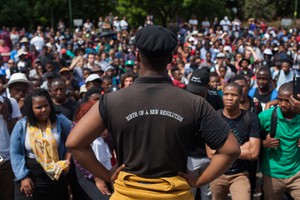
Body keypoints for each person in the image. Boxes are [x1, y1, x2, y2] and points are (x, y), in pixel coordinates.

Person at [66, 25, 240, 199]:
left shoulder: (111, 101)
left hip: (127, 194)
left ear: (137, 55)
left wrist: (106, 175)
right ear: (171, 57)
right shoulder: (194, 103)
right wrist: (200, 180)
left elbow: (75, 142)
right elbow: (231, 149)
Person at [10, 88, 72, 199]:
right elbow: (15, 153)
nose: (44, 110)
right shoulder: (22, 125)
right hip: (31, 177)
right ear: (31, 109)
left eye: (46, 105)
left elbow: (74, 140)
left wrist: (68, 157)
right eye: (39, 107)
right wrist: (23, 177)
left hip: (56, 177)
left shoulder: (60, 121)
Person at [207, 82, 261, 200]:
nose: (229, 98)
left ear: (241, 97)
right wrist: (243, 149)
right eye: (226, 94)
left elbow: (254, 153)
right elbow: (211, 153)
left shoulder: (251, 118)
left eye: (234, 95)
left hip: (240, 175)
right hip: (217, 173)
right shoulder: (213, 118)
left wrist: (222, 150)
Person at [186, 68, 223, 200]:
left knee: (207, 193)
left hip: (211, 155)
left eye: (198, 90)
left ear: (207, 87)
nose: (193, 93)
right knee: (189, 192)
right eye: (191, 89)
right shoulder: (184, 96)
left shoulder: (217, 99)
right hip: (190, 155)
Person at [259, 82, 300, 200]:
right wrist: (264, 143)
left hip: (296, 173)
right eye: (279, 100)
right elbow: (250, 140)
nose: (282, 104)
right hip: (272, 174)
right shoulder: (266, 116)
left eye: (287, 101)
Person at [0, 95, 22, 200]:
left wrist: (7, 116)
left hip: (6, 162)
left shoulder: (9, 103)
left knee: (7, 195)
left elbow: (17, 133)